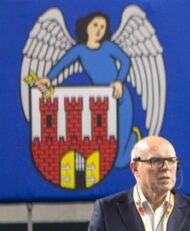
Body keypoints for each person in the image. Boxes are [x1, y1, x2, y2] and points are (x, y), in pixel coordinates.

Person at [34, 11, 138, 166]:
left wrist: (119, 81)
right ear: (87, 27)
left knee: (120, 161)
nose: (99, 30)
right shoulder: (80, 50)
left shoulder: (109, 47)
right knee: (109, 155)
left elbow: (125, 61)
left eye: (102, 27)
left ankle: (134, 137)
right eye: (95, 25)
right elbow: (62, 64)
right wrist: (48, 78)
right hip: (102, 103)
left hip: (120, 97)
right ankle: (132, 139)